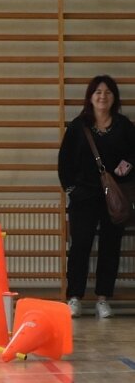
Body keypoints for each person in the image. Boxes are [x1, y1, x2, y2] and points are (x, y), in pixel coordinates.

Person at [58, 75, 135, 319]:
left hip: (116, 198)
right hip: (83, 197)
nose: (103, 96)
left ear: (115, 98)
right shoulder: (78, 126)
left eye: (108, 92)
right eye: (98, 92)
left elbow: (134, 156)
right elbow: (65, 161)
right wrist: (71, 189)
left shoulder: (124, 126)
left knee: (111, 247)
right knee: (80, 246)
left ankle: (103, 299)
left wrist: (127, 167)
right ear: (90, 97)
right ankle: (74, 298)